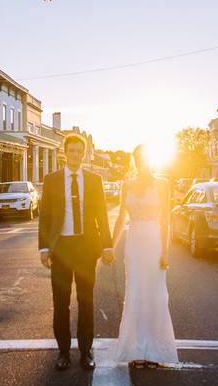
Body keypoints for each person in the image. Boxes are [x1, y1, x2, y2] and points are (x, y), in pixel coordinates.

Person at [38, 133, 113, 371]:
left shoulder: (94, 179)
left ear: (84, 153)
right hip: (61, 248)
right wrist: (44, 247)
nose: (76, 155)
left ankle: (86, 351)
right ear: (64, 152)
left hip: (85, 247)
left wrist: (107, 244)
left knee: (86, 301)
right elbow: (45, 216)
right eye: (72, 151)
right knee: (61, 303)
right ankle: (62, 352)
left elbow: (102, 214)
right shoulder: (52, 180)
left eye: (80, 151)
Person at [108, 145, 179, 367]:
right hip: (134, 242)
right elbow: (121, 218)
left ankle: (156, 351)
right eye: (138, 159)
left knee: (156, 294)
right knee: (136, 292)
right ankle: (137, 348)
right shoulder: (127, 183)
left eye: (145, 158)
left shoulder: (162, 183)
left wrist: (165, 251)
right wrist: (110, 246)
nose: (142, 162)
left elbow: (166, 219)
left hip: (154, 240)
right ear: (135, 161)